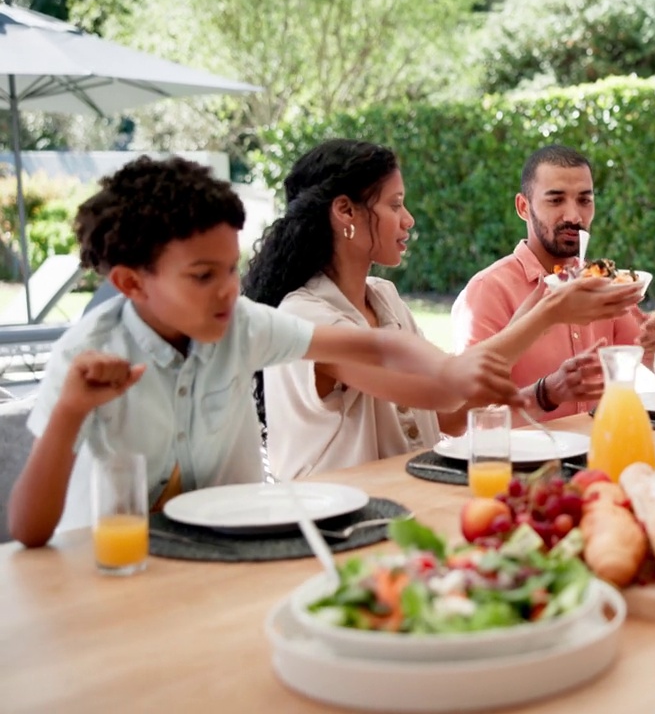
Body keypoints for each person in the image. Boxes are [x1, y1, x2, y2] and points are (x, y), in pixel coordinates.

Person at [7, 156, 522, 548]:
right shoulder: (87, 356)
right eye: (203, 276)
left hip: (230, 552)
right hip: (110, 567)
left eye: (231, 269)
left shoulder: (241, 325)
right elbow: (29, 530)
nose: (229, 290)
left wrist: (456, 370)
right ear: (130, 283)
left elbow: (380, 347)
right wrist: (71, 410)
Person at [243, 139, 641, 479]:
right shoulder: (305, 316)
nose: (408, 219)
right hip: (338, 525)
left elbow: (445, 418)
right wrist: (548, 313)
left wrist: (543, 386)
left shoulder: (384, 299)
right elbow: (443, 389)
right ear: (345, 211)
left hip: (407, 501)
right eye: (395, 205)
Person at [452, 144, 655, 420]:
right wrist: (546, 393)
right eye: (556, 200)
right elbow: (471, 417)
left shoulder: (604, 282)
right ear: (523, 207)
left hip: (601, 452)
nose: (574, 216)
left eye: (584, 201)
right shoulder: (488, 290)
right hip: (529, 459)